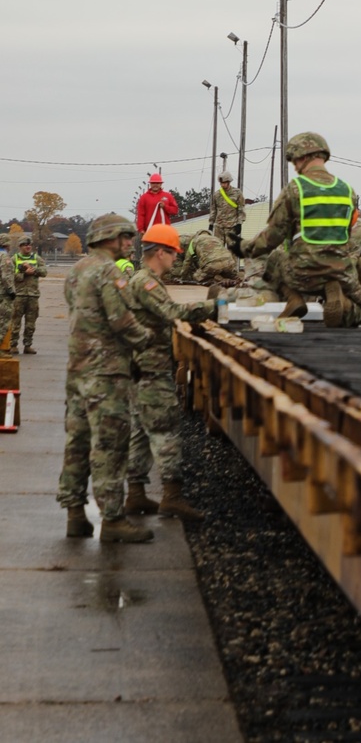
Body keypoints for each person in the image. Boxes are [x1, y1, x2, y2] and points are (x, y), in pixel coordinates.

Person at [57, 213, 155, 543]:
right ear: (108, 238)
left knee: (78, 442)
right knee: (110, 445)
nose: (130, 243)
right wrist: (146, 340)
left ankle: (74, 514)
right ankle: (112, 519)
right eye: (125, 237)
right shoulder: (109, 272)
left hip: (78, 370)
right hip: (107, 372)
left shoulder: (76, 270)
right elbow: (121, 322)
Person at [124, 223, 216, 521]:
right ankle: (172, 496)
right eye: (174, 253)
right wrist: (216, 306)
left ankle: (136, 495)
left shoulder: (144, 280)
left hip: (141, 368)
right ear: (160, 252)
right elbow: (173, 314)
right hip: (151, 368)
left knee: (140, 432)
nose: (176, 259)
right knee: (166, 430)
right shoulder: (145, 282)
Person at [244, 131, 361, 327]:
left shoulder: (296, 189)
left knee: (271, 258)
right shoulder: (348, 190)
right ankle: (342, 303)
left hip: (303, 271)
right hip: (340, 269)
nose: (295, 168)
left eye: (295, 162)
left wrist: (246, 247)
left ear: (304, 157)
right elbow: (348, 230)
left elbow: (273, 235)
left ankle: (294, 298)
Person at [176, 228, 241, 295]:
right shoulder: (216, 239)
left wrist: (182, 277)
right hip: (229, 262)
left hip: (212, 264)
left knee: (197, 277)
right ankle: (238, 283)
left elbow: (187, 261)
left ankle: (218, 282)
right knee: (233, 277)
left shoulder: (194, 241)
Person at [10, 240, 48, 354]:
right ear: (20, 246)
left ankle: (28, 345)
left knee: (31, 322)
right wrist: (24, 273)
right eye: (25, 245)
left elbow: (44, 272)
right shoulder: (14, 259)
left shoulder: (37, 258)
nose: (28, 247)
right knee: (15, 321)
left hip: (33, 295)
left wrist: (33, 269)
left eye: (29, 245)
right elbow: (10, 275)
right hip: (19, 294)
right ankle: (13, 345)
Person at [209, 170, 246, 248]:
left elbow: (241, 209)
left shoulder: (237, 193)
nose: (222, 185)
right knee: (218, 251)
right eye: (221, 183)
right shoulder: (217, 194)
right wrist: (211, 224)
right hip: (219, 227)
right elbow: (213, 210)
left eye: (224, 183)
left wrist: (239, 223)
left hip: (232, 227)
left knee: (232, 252)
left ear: (229, 182)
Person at [0, 237, 16, 355]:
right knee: (4, 321)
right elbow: (6, 276)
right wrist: (11, 290)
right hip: (3, 294)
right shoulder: (4, 257)